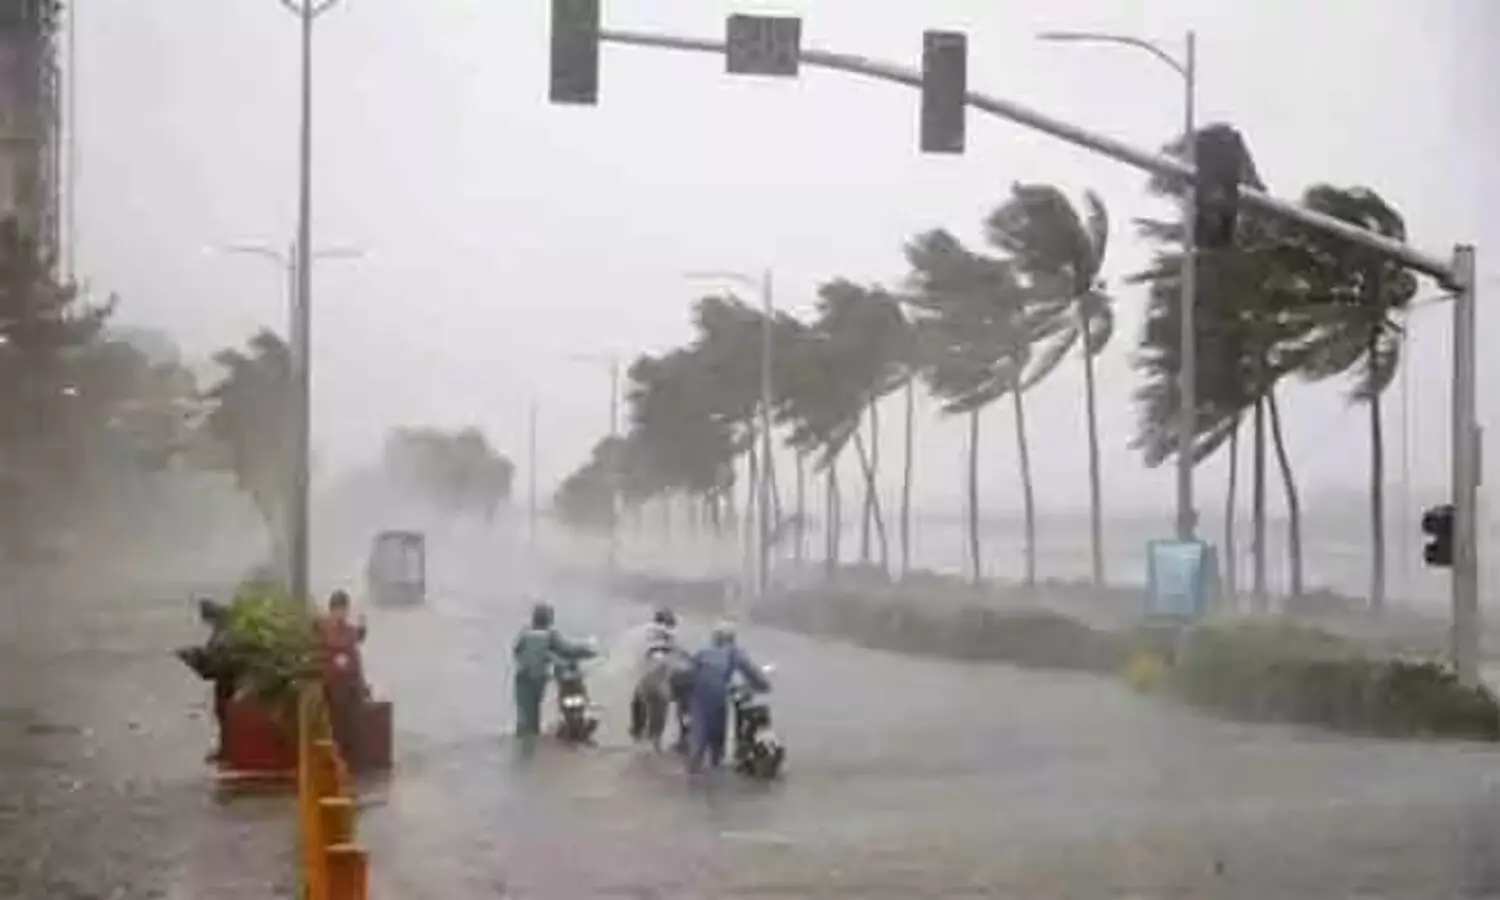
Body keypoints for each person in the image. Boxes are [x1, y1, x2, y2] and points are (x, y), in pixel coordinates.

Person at [686, 620, 769, 773]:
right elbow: (751, 672)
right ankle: (714, 772)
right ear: (731, 638)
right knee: (716, 740)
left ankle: (693, 774)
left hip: (698, 696)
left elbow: (689, 671)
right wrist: (764, 686)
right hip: (717, 696)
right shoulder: (733, 651)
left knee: (698, 736)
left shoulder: (702, 650)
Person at [511, 601, 595, 740]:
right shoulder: (550, 635)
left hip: (522, 680)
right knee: (533, 714)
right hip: (538, 679)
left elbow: (516, 652)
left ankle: (527, 741)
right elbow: (569, 649)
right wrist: (590, 649)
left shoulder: (524, 634)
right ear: (549, 619)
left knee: (526, 718)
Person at [316, 590, 369, 767]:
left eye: (343, 609)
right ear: (332, 610)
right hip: (333, 685)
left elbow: (357, 638)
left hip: (351, 686)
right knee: (336, 723)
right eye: (337, 609)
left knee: (351, 725)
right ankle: (338, 758)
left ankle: (348, 759)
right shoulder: (325, 630)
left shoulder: (349, 632)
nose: (341, 613)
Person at [628, 606, 690, 749]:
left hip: (664, 682)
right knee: (643, 701)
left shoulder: (671, 639)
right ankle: (644, 735)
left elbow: (681, 660)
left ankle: (652, 738)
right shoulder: (651, 636)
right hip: (653, 681)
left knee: (655, 705)